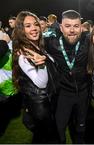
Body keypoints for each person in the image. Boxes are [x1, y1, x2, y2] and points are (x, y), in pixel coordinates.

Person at [44, 9, 94, 144]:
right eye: (67, 26)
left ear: (81, 27)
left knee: (81, 127)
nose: (72, 30)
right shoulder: (51, 43)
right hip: (63, 93)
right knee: (59, 128)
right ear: (60, 27)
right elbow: (30, 42)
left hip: (84, 93)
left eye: (76, 26)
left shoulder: (89, 40)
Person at [12, 11, 59, 143]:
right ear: (21, 30)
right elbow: (41, 83)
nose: (34, 28)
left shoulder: (37, 46)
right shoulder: (24, 54)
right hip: (40, 108)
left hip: (48, 103)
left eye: (35, 24)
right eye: (28, 26)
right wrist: (42, 65)